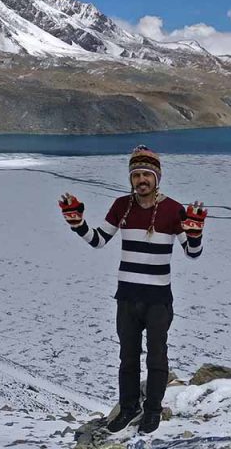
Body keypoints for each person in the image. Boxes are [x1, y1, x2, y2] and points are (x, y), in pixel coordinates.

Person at [58, 145, 207, 434]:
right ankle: (128, 408)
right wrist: (79, 225)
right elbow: (99, 240)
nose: (142, 180)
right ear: (131, 178)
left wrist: (196, 234)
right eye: (137, 174)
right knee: (127, 356)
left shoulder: (173, 209)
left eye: (147, 175)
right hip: (127, 297)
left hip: (158, 299)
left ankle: (152, 410)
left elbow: (192, 252)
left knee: (156, 356)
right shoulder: (121, 206)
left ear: (157, 178)